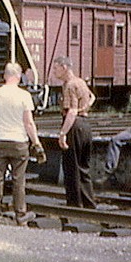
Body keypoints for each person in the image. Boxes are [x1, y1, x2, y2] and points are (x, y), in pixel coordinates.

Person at [0, 62, 44, 225]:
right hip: (19, 142)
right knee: (18, 179)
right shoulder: (24, 96)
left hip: (0, 141)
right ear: (19, 77)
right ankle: (20, 214)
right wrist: (37, 143)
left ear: (5, 76)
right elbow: (29, 123)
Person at [52, 56, 97, 208]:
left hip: (74, 126)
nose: (54, 71)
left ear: (64, 67)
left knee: (71, 168)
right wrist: (84, 108)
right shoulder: (80, 82)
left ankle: (74, 205)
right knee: (83, 167)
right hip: (85, 125)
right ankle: (89, 204)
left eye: (56, 68)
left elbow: (71, 111)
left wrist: (63, 133)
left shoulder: (70, 85)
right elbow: (92, 97)